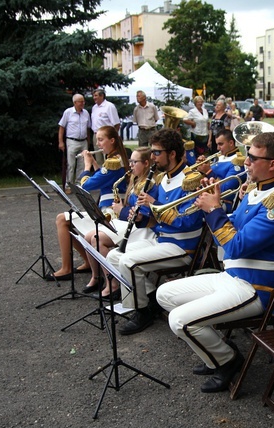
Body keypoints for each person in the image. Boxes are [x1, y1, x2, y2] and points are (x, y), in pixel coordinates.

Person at [156, 131, 274, 393]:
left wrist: (213, 210)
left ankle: (227, 361)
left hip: (255, 287)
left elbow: (235, 246)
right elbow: (236, 229)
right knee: (164, 294)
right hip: (232, 277)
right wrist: (217, 205)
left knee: (180, 320)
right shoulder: (257, 190)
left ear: (272, 164)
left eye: (253, 157)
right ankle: (218, 351)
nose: (245, 161)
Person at [107, 128, 205, 335]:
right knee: (114, 256)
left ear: (172, 154)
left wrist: (154, 204)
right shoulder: (164, 178)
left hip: (183, 247)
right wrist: (142, 217)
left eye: (157, 152)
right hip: (162, 240)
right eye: (152, 152)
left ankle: (141, 311)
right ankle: (150, 301)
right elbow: (155, 220)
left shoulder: (191, 179)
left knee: (128, 262)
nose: (152, 157)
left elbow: (189, 222)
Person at [49, 125, 129, 281]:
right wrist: (94, 163)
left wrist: (86, 165)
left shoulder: (113, 162)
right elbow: (103, 176)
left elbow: (86, 186)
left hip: (109, 213)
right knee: (65, 220)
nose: (98, 144)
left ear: (112, 141)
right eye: (97, 140)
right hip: (106, 209)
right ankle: (88, 261)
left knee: (62, 219)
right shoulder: (115, 159)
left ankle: (66, 268)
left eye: (100, 140)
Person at [87, 147, 157, 298]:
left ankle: (114, 284)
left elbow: (142, 215)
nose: (130, 165)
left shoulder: (149, 184)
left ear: (146, 163)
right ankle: (104, 279)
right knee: (89, 236)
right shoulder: (137, 179)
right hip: (129, 224)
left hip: (143, 230)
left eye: (134, 162)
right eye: (130, 161)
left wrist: (121, 210)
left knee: (96, 239)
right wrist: (122, 207)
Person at [57, 93, 91, 194]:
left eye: (83, 101)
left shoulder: (86, 113)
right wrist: (60, 141)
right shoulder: (68, 112)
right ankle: (68, 184)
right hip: (72, 141)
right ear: (75, 103)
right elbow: (61, 127)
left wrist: (88, 141)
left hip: (83, 141)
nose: (83, 103)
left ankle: (79, 184)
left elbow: (88, 128)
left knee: (82, 164)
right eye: (81, 101)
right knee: (71, 164)